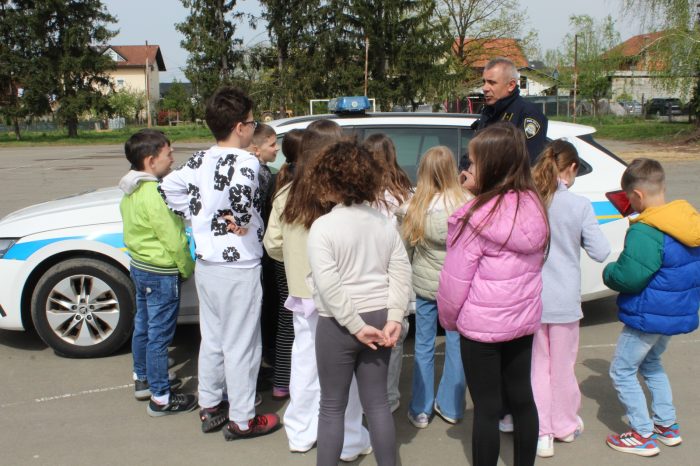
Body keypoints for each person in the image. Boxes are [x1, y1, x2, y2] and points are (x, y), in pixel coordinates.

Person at [159, 87, 280, 439]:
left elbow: (167, 187)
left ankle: (210, 403)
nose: (253, 127)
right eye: (252, 122)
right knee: (243, 344)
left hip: (207, 262)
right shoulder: (246, 161)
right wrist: (239, 219)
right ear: (241, 127)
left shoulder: (200, 158)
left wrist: (197, 214)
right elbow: (242, 195)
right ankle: (242, 419)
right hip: (238, 264)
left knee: (212, 337)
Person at [437, 122, 549, 466]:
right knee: (523, 399)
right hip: (521, 322)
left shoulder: (473, 219)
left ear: (492, 165)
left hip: (481, 328)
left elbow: (454, 285)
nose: (466, 168)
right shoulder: (534, 207)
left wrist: (449, 321)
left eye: (471, 162)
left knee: (486, 409)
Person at [263, 120, 372, 459]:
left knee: (305, 363)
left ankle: (300, 431)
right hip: (343, 294)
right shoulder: (345, 198)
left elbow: (273, 244)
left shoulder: (286, 194)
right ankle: (350, 440)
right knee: (346, 369)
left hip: (302, 291)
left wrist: (296, 261)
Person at [307, 139, 413, 466]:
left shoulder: (323, 227)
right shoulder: (384, 223)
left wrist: (354, 325)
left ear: (329, 180)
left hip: (337, 324)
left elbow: (328, 285)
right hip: (380, 318)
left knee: (332, 406)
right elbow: (401, 271)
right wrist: (394, 317)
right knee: (377, 404)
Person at [603, 158, 700, 457]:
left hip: (647, 315)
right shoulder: (687, 220)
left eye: (629, 199)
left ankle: (642, 433)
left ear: (637, 195)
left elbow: (630, 277)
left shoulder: (646, 230)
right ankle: (666, 425)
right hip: (674, 312)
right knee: (652, 363)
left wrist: (609, 271)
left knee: (622, 370)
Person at [530, 140, 610, 457]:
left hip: (532, 299)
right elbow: (601, 251)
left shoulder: (531, 200)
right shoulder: (579, 205)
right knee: (562, 367)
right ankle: (563, 425)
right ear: (573, 168)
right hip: (564, 301)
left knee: (537, 367)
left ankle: (541, 432)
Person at [118, 129, 196, 416]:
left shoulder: (131, 189)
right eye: (168, 154)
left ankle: (144, 379)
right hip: (162, 272)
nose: (172, 159)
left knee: (143, 326)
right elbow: (173, 239)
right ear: (151, 161)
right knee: (159, 336)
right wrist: (187, 267)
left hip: (140, 267)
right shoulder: (156, 194)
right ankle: (161, 397)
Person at [399, 146, 470, 429]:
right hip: (458, 287)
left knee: (424, 345)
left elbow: (406, 249)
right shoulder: (467, 204)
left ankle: (421, 408)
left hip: (425, 286)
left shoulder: (415, 206)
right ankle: (451, 406)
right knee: (456, 344)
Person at [363, 133, 413, 413]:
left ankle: (366, 398)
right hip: (397, 276)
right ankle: (389, 398)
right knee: (394, 336)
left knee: (367, 337)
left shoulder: (360, 194)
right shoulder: (405, 193)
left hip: (366, 275)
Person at [459, 57, 548, 173]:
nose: (485, 88)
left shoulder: (528, 114)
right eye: (484, 82)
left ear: (511, 85)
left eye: (492, 82)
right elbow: (473, 154)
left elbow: (528, 163)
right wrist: (462, 175)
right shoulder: (488, 112)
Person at [269, 128, 304, 399]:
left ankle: (282, 381)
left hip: (282, 262)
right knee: (307, 328)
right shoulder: (307, 189)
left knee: (286, 320)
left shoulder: (280, 184)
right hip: (302, 266)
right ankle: (302, 385)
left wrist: (285, 257)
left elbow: (273, 242)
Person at [245, 122, 280, 388]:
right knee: (266, 307)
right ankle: (265, 359)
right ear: (256, 149)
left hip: (261, 248)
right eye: (272, 144)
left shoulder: (261, 171)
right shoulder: (260, 174)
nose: (277, 149)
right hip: (262, 250)